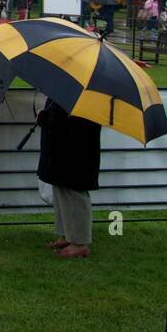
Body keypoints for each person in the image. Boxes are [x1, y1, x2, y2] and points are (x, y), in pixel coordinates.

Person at [37, 99, 101, 258]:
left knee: (74, 192)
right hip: (64, 147)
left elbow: (63, 119)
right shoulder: (71, 85)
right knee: (61, 190)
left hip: (74, 149)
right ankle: (67, 235)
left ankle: (79, 243)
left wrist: (43, 117)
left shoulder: (83, 91)